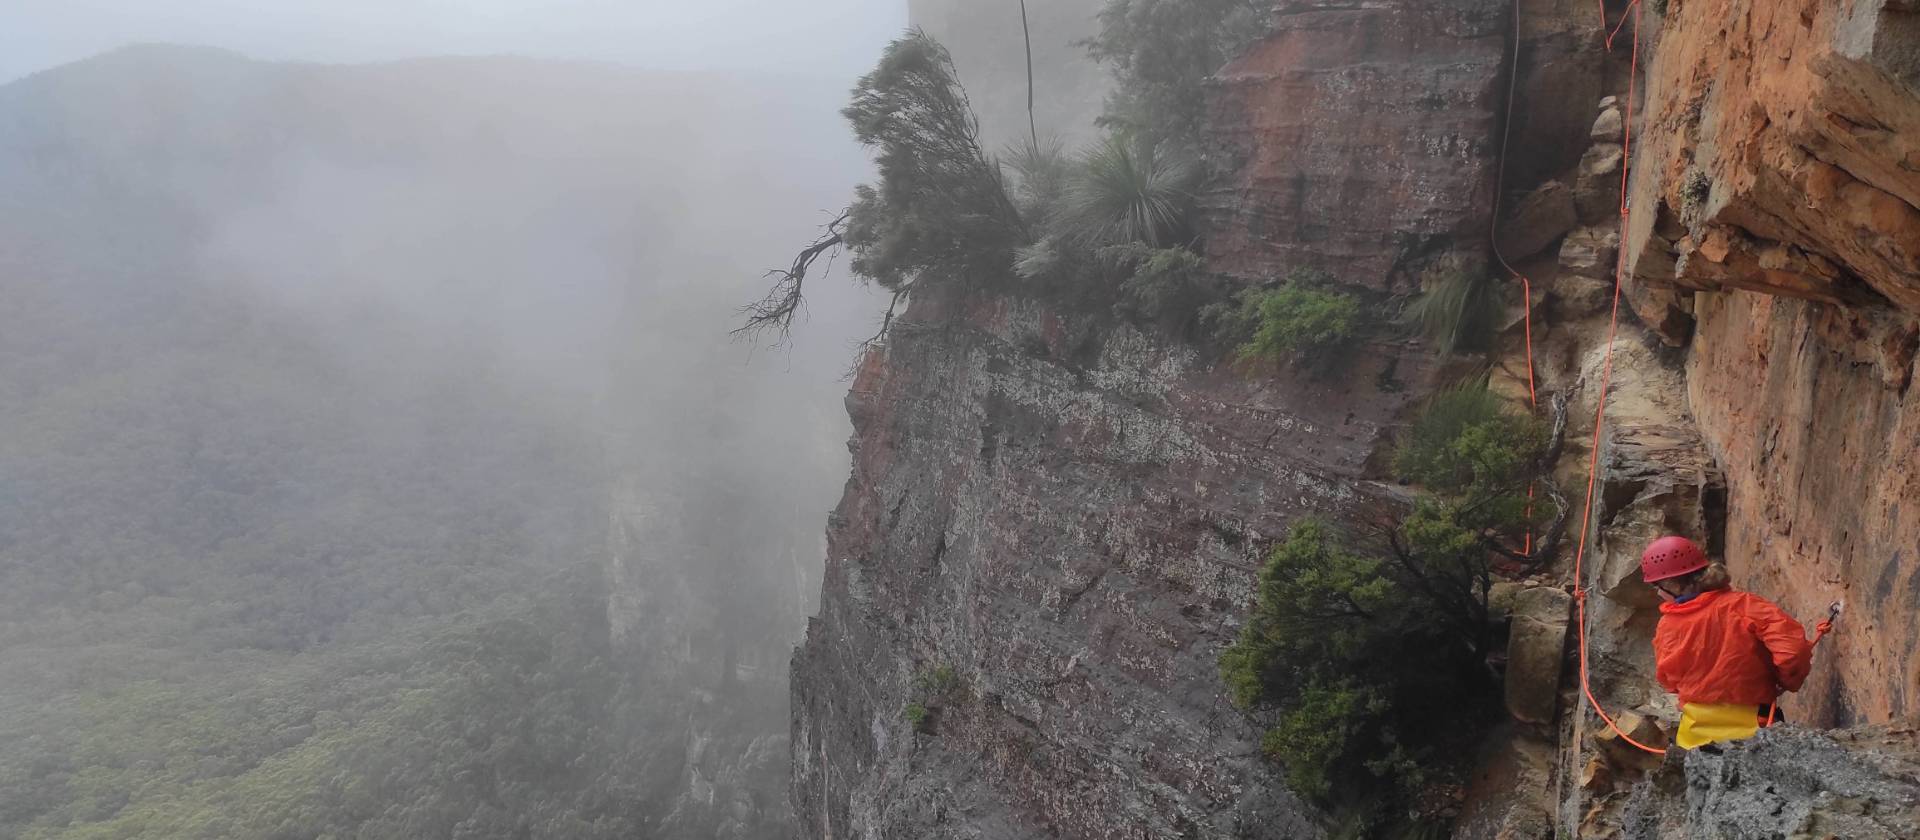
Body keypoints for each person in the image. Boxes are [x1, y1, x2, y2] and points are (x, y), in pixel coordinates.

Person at [1642, 535, 1825, 750]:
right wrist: (1784, 681)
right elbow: (1792, 651)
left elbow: (1668, 680)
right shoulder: (1744, 606)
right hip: (1756, 731)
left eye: (1658, 587)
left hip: (1694, 740)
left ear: (1672, 584)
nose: (1659, 593)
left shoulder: (1667, 627)